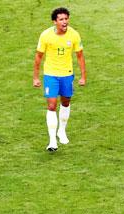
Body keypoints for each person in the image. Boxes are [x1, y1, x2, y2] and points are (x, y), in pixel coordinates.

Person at [33, 7, 87, 152]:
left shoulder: (74, 35)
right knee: (51, 105)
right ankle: (52, 141)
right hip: (50, 74)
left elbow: (80, 56)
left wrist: (83, 76)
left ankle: (61, 131)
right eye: (61, 19)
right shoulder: (46, 36)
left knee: (66, 101)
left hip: (67, 74)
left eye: (66, 19)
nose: (65, 22)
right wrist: (36, 77)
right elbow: (38, 56)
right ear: (54, 21)